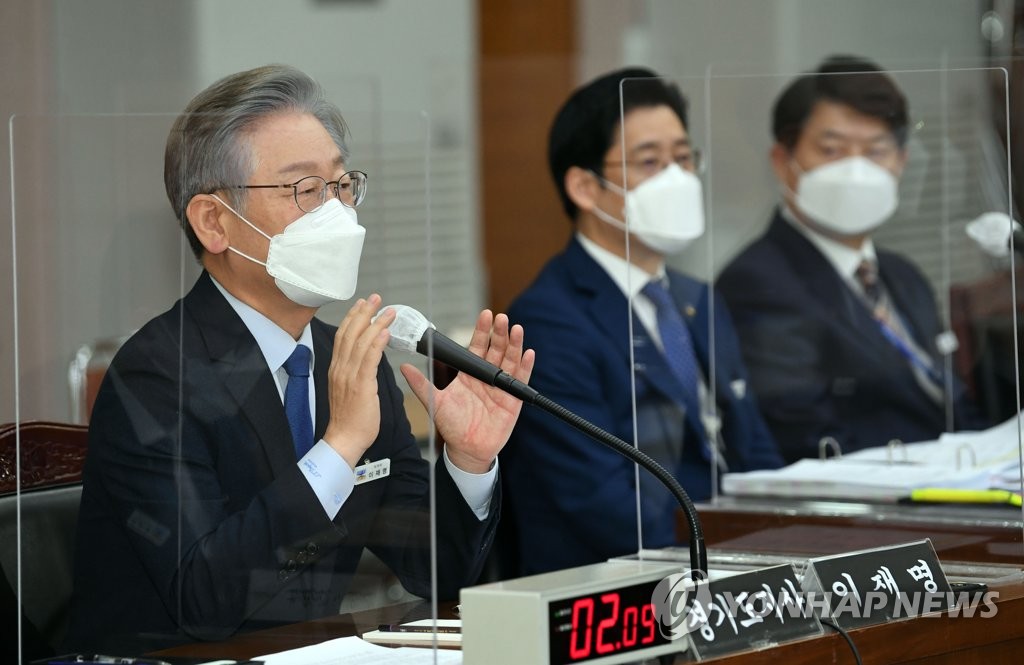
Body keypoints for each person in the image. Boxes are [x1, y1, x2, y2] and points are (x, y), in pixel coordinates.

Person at [64, 64, 534, 653]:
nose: (337, 213)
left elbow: (434, 572)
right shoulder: (154, 375)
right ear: (214, 222)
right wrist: (338, 448)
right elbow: (204, 601)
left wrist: (468, 461)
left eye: (341, 186)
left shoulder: (349, 357)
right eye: (304, 190)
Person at [501, 68, 782, 576]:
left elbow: (752, 446)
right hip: (629, 584)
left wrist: (787, 538)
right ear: (585, 186)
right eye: (651, 162)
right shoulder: (549, 319)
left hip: (734, 563)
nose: (677, 178)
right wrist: (724, 564)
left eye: (683, 158)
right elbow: (599, 503)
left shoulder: (697, 298)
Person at [717, 55, 980, 463]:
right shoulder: (757, 282)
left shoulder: (903, 276)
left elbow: (953, 401)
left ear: (901, 162)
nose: (857, 171)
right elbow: (806, 437)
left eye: (876, 151)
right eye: (832, 150)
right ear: (783, 161)